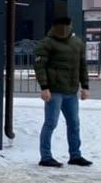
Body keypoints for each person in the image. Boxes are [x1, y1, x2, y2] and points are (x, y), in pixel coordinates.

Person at [34, 16, 91, 168]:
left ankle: (75, 155)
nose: (64, 29)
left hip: (71, 91)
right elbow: (39, 66)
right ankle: (46, 156)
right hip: (54, 90)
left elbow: (82, 66)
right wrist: (44, 87)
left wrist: (85, 86)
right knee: (51, 123)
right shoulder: (47, 43)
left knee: (74, 123)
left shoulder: (77, 43)